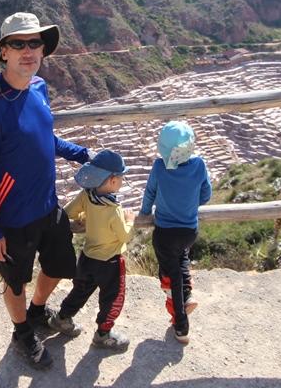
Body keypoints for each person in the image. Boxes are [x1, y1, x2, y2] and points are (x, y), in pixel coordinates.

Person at [0, 12, 91, 370]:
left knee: (57, 265)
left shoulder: (38, 87)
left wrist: (80, 153)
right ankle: (21, 332)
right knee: (16, 280)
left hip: (47, 204)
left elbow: (44, 137)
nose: (29, 50)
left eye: (35, 42)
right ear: (3, 52)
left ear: (43, 49)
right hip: (12, 215)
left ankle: (37, 313)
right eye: (18, 44)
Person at [48, 150, 137, 352]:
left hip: (87, 257)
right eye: (121, 177)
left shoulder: (86, 195)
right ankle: (103, 335)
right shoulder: (114, 209)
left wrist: (87, 216)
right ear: (113, 180)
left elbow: (68, 212)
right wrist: (130, 222)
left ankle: (62, 319)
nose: (122, 180)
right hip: (110, 262)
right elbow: (125, 236)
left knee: (80, 290)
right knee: (111, 297)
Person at [139, 120, 212, 344]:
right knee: (182, 258)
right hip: (189, 231)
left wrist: (143, 213)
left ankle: (181, 325)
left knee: (171, 278)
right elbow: (205, 195)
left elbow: (149, 193)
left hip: (164, 233)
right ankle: (187, 295)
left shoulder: (159, 167)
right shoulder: (199, 165)